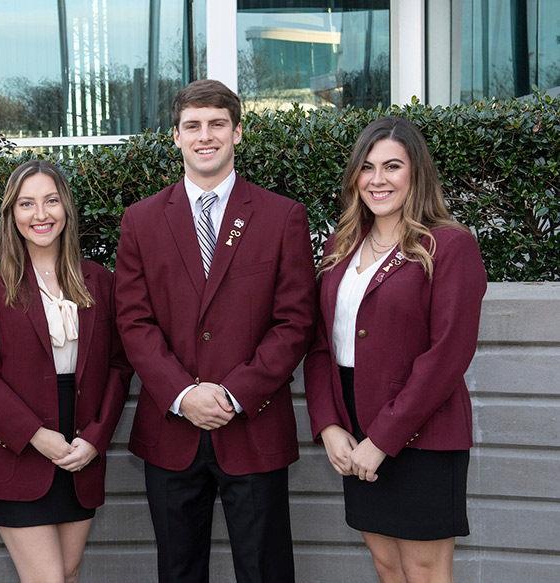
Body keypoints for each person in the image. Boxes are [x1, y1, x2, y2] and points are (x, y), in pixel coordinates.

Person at [114, 79, 317, 583]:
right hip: (171, 430)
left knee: (265, 570)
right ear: (176, 137)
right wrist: (184, 393)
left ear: (238, 133)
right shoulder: (140, 220)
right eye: (193, 126)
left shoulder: (281, 216)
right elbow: (133, 322)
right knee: (178, 572)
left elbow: (294, 322)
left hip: (253, 425)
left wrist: (230, 393)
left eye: (217, 125)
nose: (205, 136)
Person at [303, 116, 487, 583]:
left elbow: (447, 355)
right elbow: (321, 344)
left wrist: (383, 439)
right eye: (367, 168)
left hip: (421, 429)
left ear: (415, 173)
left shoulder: (449, 245)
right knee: (386, 565)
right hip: (352, 423)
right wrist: (327, 424)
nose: (377, 180)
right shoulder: (340, 245)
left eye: (392, 166)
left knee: (423, 571)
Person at [0, 160, 132, 583]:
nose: (41, 215)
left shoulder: (99, 280)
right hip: (17, 447)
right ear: (11, 214)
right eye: (27, 204)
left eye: (51, 201)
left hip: (81, 448)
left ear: (67, 208)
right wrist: (38, 437)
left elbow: (118, 366)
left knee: (70, 573)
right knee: (48, 579)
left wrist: (95, 438)